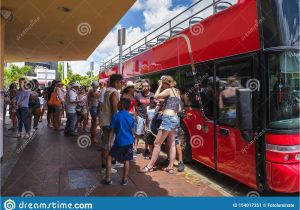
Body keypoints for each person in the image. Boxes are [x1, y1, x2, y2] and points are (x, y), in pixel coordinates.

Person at [140, 75, 181, 174]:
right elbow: (178, 108)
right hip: (175, 118)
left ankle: (149, 166)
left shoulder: (169, 90)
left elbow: (156, 96)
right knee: (171, 144)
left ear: (165, 83)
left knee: (157, 143)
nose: (162, 86)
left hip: (168, 119)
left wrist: (159, 86)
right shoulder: (177, 92)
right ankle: (170, 167)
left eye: (162, 84)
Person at [103, 98, 135, 186]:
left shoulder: (116, 116)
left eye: (118, 103)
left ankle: (108, 178)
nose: (117, 104)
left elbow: (112, 131)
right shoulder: (131, 117)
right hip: (129, 142)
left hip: (119, 142)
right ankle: (124, 180)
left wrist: (109, 142)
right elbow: (132, 131)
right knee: (127, 160)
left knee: (109, 158)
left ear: (121, 105)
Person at [100, 74, 123, 171]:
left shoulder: (107, 91)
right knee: (107, 145)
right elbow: (115, 109)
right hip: (110, 123)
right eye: (121, 82)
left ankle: (110, 163)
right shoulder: (114, 92)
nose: (122, 84)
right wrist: (117, 123)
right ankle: (105, 167)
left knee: (108, 144)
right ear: (116, 82)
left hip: (106, 121)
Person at [134, 79, 154, 156]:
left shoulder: (152, 95)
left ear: (149, 87)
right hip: (140, 116)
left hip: (149, 117)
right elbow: (135, 106)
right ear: (141, 86)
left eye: (146, 86)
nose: (145, 87)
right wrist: (135, 116)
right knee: (138, 133)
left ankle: (146, 149)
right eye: (143, 86)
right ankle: (135, 148)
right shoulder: (138, 95)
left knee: (147, 134)